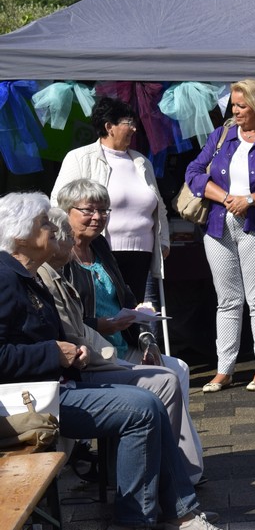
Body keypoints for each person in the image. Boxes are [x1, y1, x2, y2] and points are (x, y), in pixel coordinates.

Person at [0, 192, 219, 530]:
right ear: (20, 235)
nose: (55, 229)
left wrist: (72, 354)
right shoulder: (5, 279)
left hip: (57, 385)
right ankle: (138, 520)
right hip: (29, 402)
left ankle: (180, 513)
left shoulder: (28, 276)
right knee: (142, 408)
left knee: (151, 399)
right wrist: (54, 352)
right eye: (44, 224)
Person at [39, 205, 205, 483]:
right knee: (164, 380)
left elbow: (128, 301)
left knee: (178, 369)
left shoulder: (100, 248)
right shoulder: (49, 274)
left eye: (103, 209)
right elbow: (73, 334)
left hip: (117, 347)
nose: (98, 217)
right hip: (89, 362)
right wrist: (103, 334)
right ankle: (170, 477)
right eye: (88, 210)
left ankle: (181, 470)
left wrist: (146, 339)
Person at [185, 79, 255, 393]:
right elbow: (193, 173)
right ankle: (224, 370)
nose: (235, 111)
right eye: (233, 105)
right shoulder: (221, 136)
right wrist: (225, 198)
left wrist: (249, 200)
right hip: (218, 225)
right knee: (227, 300)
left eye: (241, 105)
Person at [51, 96, 170, 304]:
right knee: (106, 308)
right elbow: (58, 204)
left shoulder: (142, 162)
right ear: (109, 127)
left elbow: (159, 207)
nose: (134, 128)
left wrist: (164, 241)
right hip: (98, 252)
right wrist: (66, 243)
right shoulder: (79, 157)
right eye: (128, 123)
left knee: (139, 313)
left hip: (143, 253)